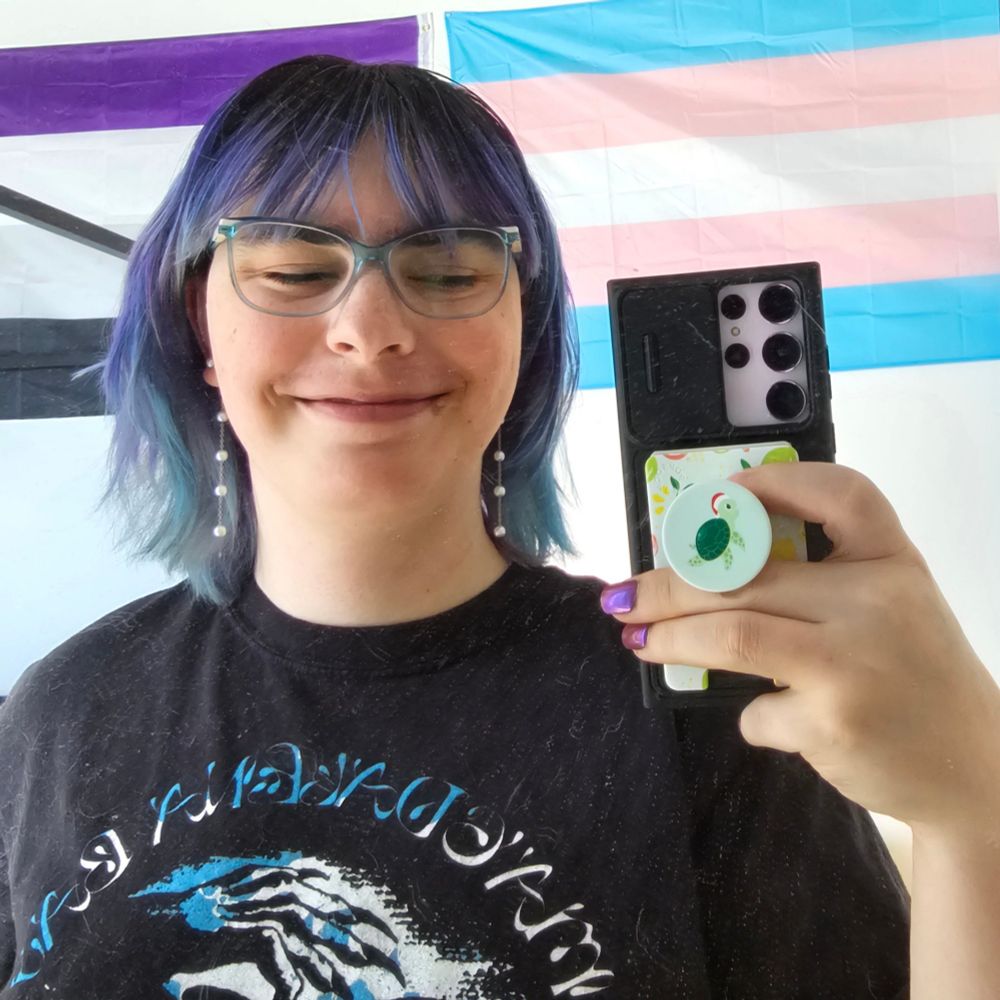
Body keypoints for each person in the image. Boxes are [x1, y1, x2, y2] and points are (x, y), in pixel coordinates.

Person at [0, 53, 997, 999]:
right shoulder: (53, 716)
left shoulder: (708, 705)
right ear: (198, 325)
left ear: (521, 326)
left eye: (443, 268)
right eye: (296, 266)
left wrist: (973, 814)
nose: (369, 326)